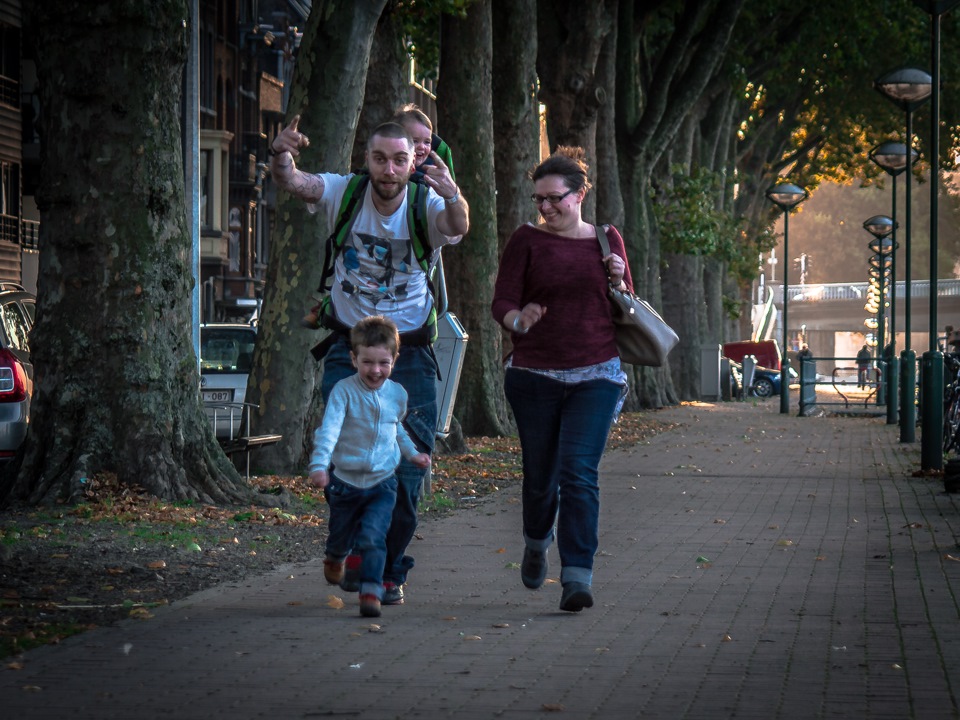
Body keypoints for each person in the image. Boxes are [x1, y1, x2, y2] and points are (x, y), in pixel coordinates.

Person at [270, 116, 469, 606]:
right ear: (367, 158)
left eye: (400, 159)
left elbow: (458, 225)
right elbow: (295, 182)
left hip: (412, 354)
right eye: (380, 158)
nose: (389, 168)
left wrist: (456, 193)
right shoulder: (345, 193)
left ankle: (384, 565)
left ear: (412, 162)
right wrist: (281, 155)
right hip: (350, 348)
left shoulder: (427, 203)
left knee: (407, 472)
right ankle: (360, 547)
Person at [491, 146, 631, 613]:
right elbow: (502, 302)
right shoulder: (526, 241)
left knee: (578, 473)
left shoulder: (607, 239)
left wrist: (619, 280)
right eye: (539, 200)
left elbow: (623, 305)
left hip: (596, 372)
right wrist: (518, 320)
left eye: (555, 198)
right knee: (540, 477)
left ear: (580, 193)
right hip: (535, 374)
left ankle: (577, 576)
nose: (547, 208)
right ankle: (536, 541)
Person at [308, 316, 431, 618]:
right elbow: (330, 430)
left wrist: (412, 454)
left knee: (374, 538)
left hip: (381, 483)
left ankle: (371, 591)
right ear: (353, 358)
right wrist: (320, 465)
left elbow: (396, 429)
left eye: (383, 363)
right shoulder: (343, 391)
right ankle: (336, 557)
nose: (375, 371)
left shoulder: (397, 394)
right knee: (342, 536)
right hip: (345, 483)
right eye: (367, 362)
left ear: (394, 359)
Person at [391, 103, 455, 180]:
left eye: (427, 142)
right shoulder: (388, 170)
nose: (422, 147)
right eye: (415, 141)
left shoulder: (435, 173)